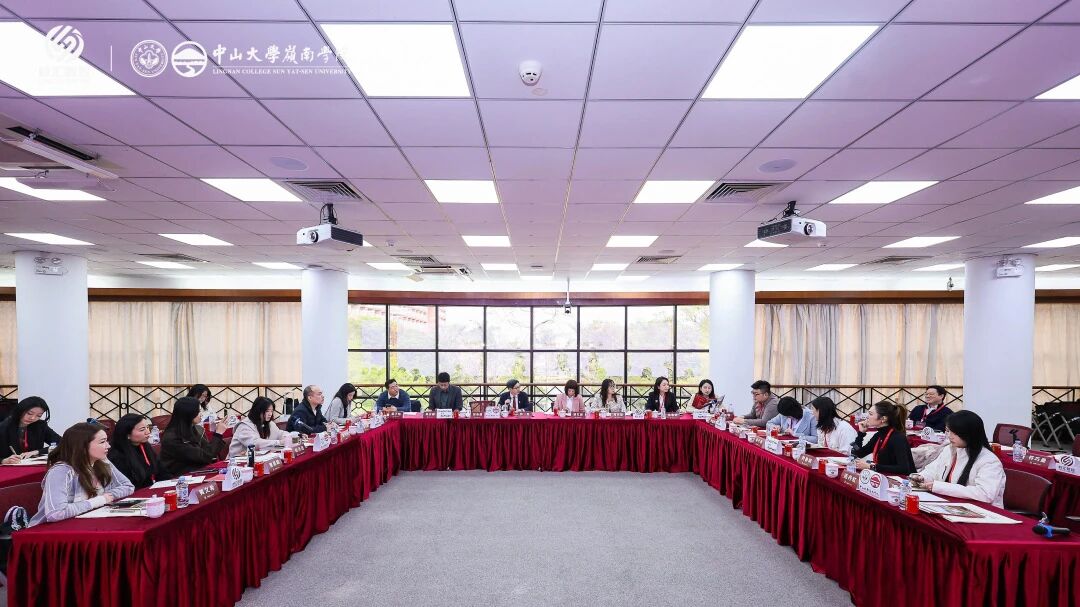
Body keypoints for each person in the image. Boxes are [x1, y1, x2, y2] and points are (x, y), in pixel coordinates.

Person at [29, 423, 134, 526]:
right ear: (82, 446)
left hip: (86, 523)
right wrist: (99, 500)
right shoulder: (61, 471)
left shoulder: (101, 461)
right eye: (102, 442)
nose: (108, 446)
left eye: (107, 441)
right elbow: (56, 513)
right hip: (50, 531)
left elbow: (127, 486)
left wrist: (107, 497)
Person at [912, 410, 1006, 508]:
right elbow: (933, 470)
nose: (950, 436)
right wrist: (921, 477)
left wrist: (939, 487)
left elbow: (985, 494)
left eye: (955, 433)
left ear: (970, 434)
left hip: (983, 510)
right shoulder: (949, 450)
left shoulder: (989, 461)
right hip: (951, 504)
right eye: (948, 431)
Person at [159, 396, 227, 477]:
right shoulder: (172, 438)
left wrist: (218, 435)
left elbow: (208, 451)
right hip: (179, 477)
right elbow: (204, 456)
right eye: (198, 412)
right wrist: (218, 433)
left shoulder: (191, 429)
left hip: (196, 473)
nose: (201, 414)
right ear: (189, 413)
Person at [851, 400, 916, 474]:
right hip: (882, 476)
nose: (867, 417)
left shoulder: (898, 438)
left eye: (871, 414)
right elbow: (858, 453)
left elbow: (903, 468)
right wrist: (861, 434)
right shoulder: (878, 435)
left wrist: (872, 466)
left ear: (883, 419)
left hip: (901, 479)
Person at [108, 414, 167, 489]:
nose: (148, 432)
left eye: (147, 427)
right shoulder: (117, 456)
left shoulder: (145, 446)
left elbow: (162, 471)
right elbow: (128, 485)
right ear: (127, 435)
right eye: (142, 430)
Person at [0, 396, 62, 464]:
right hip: (10, 467)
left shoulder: (40, 425)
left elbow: (62, 443)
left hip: (33, 465)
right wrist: (4, 461)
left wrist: (37, 452)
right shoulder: (4, 427)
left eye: (38, 416)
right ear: (20, 410)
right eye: (29, 413)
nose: (33, 418)